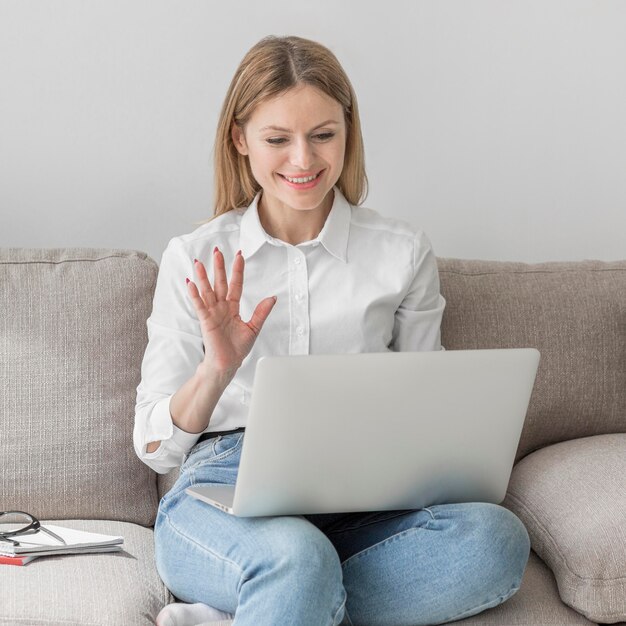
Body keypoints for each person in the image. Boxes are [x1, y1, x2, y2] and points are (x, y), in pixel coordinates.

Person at [133, 35, 530, 626]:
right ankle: (288, 588)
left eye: (323, 135)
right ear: (240, 139)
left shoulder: (401, 251)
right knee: (294, 556)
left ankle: (274, 605)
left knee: (495, 539)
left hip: (364, 495)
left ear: (349, 131)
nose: (303, 160)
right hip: (225, 486)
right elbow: (152, 447)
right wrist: (217, 369)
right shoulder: (196, 256)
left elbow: (431, 408)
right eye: (277, 139)